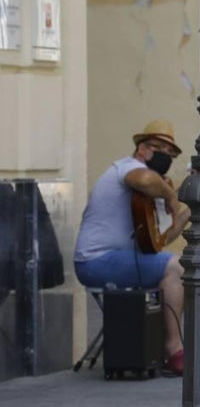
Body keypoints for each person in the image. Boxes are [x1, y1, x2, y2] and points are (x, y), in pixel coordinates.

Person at [74, 119, 191, 375]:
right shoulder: (128, 168)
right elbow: (146, 180)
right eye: (161, 148)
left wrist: (189, 208)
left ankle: (161, 346)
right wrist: (171, 195)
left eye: (171, 153)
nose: (166, 156)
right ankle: (173, 348)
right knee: (176, 268)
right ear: (142, 149)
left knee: (179, 264)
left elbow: (159, 240)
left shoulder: (152, 187)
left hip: (120, 261)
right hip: (95, 261)